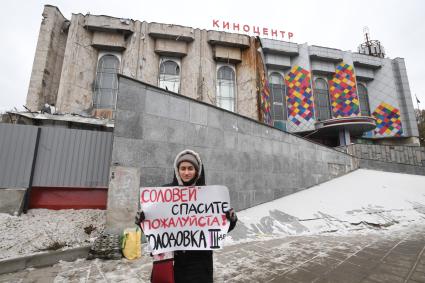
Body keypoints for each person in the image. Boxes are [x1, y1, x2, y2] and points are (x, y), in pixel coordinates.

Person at [136, 149, 238, 283]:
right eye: (182, 168)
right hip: (174, 263)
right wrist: (142, 220)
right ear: (177, 170)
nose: (186, 172)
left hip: (201, 263)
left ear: (197, 170)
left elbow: (217, 230)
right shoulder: (165, 194)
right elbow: (155, 230)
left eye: (190, 168)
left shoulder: (209, 195)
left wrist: (231, 220)